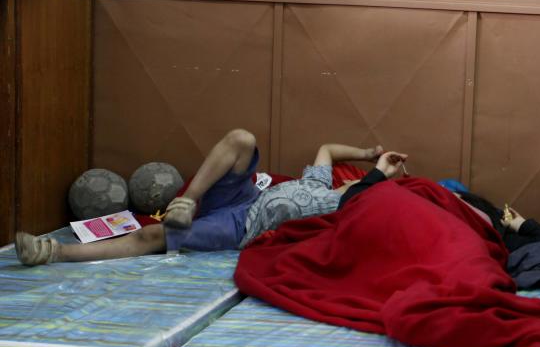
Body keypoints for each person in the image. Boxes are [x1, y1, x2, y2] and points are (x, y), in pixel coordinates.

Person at [14, 129, 409, 265]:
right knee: (242, 139)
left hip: (243, 224)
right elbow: (327, 148)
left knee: (155, 239)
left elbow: (364, 194)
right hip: (245, 194)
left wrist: (380, 173)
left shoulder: (346, 206)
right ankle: (187, 202)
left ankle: (52, 253)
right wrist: (368, 153)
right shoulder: (320, 184)